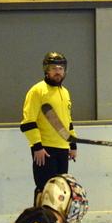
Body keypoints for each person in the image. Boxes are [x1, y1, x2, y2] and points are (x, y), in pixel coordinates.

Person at [21, 52, 78, 202]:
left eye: (61, 68)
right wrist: (37, 147)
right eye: (54, 68)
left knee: (59, 191)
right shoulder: (37, 91)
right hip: (45, 150)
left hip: (62, 148)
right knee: (45, 189)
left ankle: (54, 218)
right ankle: (39, 216)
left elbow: (68, 121)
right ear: (47, 70)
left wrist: (72, 145)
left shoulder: (65, 92)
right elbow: (28, 122)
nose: (58, 71)